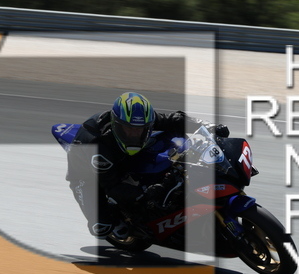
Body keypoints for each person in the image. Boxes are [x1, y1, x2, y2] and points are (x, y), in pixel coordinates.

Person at [66, 91, 229, 240]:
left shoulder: (143, 119)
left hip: (121, 153)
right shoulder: (98, 147)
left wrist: (208, 126)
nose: (134, 134)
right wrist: (145, 193)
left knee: (171, 142)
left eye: (140, 130)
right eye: (128, 130)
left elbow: (175, 120)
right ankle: (115, 218)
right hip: (86, 169)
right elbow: (112, 186)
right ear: (116, 124)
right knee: (101, 227)